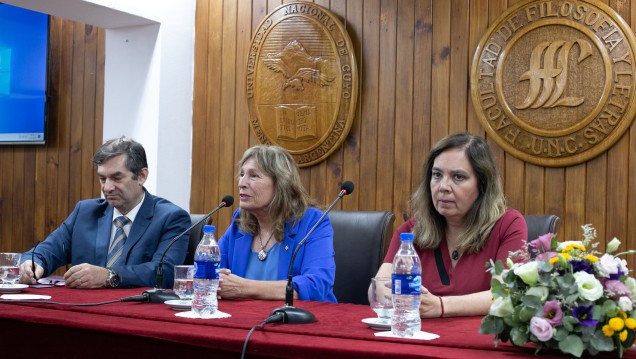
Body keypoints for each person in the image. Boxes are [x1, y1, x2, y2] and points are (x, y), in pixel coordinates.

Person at [371, 132, 527, 318]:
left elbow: (506, 294)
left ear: (482, 185)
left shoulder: (509, 225)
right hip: (419, 340)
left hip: (477, 342)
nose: (443, 186)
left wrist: (441, 306)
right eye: (437, 175)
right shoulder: (411, 231)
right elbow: (378, 285)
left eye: (458, 177)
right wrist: (388, 295)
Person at [19, 136, 191, 289]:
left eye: (117, 178)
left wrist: (109, 276)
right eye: (102, 178)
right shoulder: (85, 212)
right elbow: (46, 251)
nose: (107, 188)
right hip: (83, 310)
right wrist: (32, 263)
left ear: (141, 176)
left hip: (135, 312)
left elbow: (165, 273)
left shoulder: (172, 218)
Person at [217, 144, 336, 302]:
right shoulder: (240, 223)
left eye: (253, 176)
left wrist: (243, 288)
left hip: (301, 321)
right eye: (241, 174)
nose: (241, 183)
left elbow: (316, 285)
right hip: (246, 321)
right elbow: (207, 270)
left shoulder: (312, 222)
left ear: (280, 183)